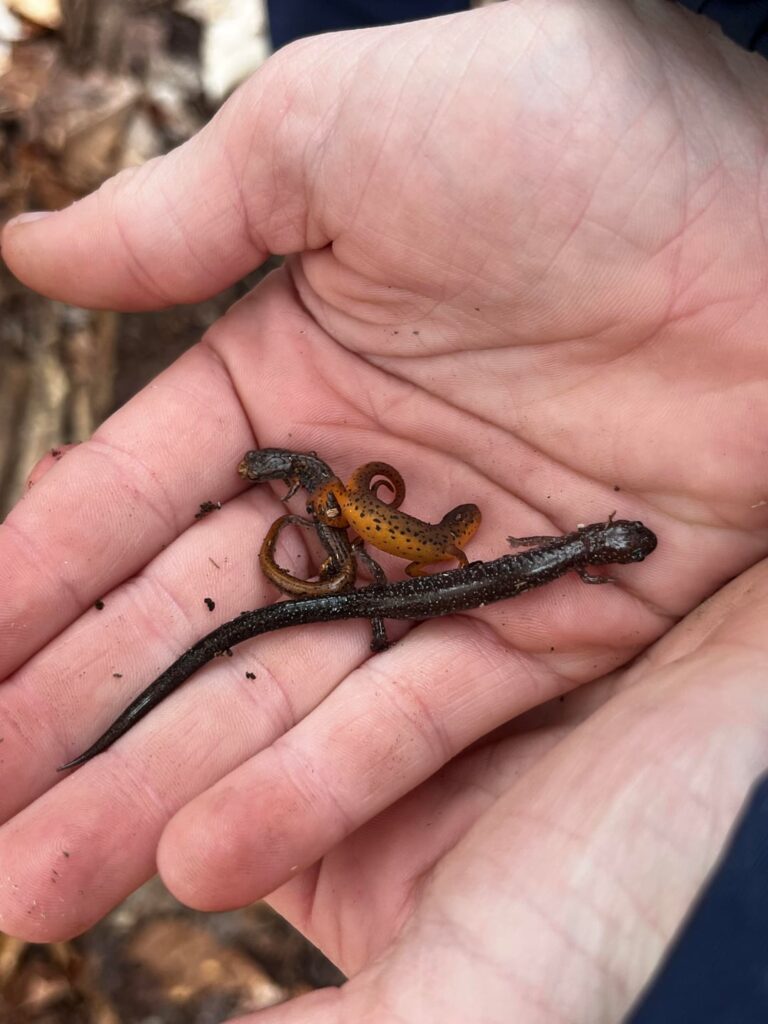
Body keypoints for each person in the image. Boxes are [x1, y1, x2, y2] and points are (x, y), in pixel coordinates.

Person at [2, 2, 768, 1020]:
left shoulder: (568, 554)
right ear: (604, 554)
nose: (610, 549)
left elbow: (519, 558)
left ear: (604, 555)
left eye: (612, 549)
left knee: (276, 622)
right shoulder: (572, 559)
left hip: (428, 588)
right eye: (611, 547)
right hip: (428, 585)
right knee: (270, 620)